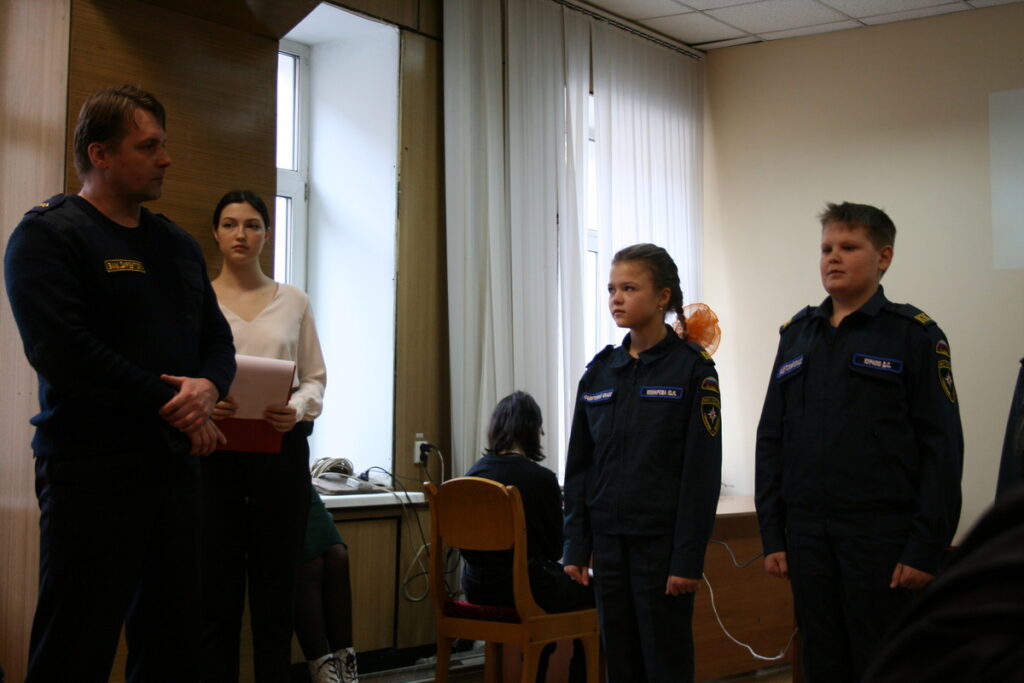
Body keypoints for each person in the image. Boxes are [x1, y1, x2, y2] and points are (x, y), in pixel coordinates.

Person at [3, 85, 236, 683]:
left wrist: (210, 388)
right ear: (100, 153)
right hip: (92, 472)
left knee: (173, 646)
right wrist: (177, 403)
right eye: (149, 146)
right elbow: (64, 354)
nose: (166, 159)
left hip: (175, 470)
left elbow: (217, 340)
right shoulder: (48, 236)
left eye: (164, 145)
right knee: (75, 644)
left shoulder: (176, 244)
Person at [754, 202, 964, 683]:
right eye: (826, 248)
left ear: (883, 257)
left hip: (881, 538)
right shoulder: (797, 335)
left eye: (848, 247)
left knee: (883, 662)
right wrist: (773, 534)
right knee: (820, 661)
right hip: (808, 535)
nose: (833, 257)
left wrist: (926, 547)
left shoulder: (914, 335)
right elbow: (772, 438)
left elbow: (942, 447)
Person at [562, 244, 723, 683]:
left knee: (665, 661)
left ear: (662, 297)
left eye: (629, 288)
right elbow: (580, 467)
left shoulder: (692, 370)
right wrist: (575, 544)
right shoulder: (599, 372)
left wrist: (687, 558)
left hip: (661, 544)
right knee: (621, 663)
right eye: (611, 289)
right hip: (608, 543)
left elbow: (702, 474)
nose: (616, 298)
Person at [201, 190, 327, 682]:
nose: (241, 234)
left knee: (277, 598)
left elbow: (314, 378)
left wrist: (296, 409)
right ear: (216, 233)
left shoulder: (294, 300)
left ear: (267, 235)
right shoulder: (199, 298)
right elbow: (184, 373)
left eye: (252, 225)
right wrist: (208, 399)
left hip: (280, 453)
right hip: (215, 455)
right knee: (216, 599)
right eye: (230, 224)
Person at [462, 391, 595, 683]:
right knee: (596, 590)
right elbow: (555, 549)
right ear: (534, 430)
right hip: (525, 591)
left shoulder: (472, 475)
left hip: (476, 588)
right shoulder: (541, 479)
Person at [294, 485, 360, 683]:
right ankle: (324, 676)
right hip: (263, 484)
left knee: (337, 555)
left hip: (297, 480)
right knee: (309, 563)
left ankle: (347, 673)